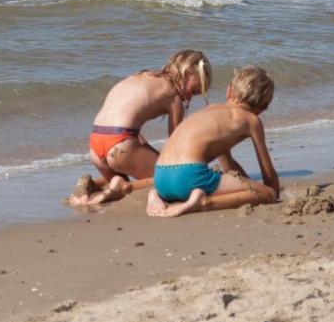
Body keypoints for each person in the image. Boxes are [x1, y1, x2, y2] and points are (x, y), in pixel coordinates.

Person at [70, 50, 212, 206]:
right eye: (194, 91)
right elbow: (174, 146)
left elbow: (129, 126)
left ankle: (91, 185)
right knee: (171, 181)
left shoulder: (140, 76)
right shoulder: (174, 95)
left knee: (123, 182)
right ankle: (110, 189)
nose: (190, 98)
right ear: (187, 72)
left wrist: (147, 151)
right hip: (120, 145)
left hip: (96, 145)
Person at [146, 65, 279, 217]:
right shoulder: (252, 121)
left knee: (187, 185)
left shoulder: (210, 109)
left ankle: (155, 195)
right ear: (264, 108)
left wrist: (246, 183)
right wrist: (270, 191)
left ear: (229, 90)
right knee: (268, 194)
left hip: (161, 178)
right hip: (189, 176)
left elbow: (228, 166)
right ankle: (203, 202)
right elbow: (267, 172)